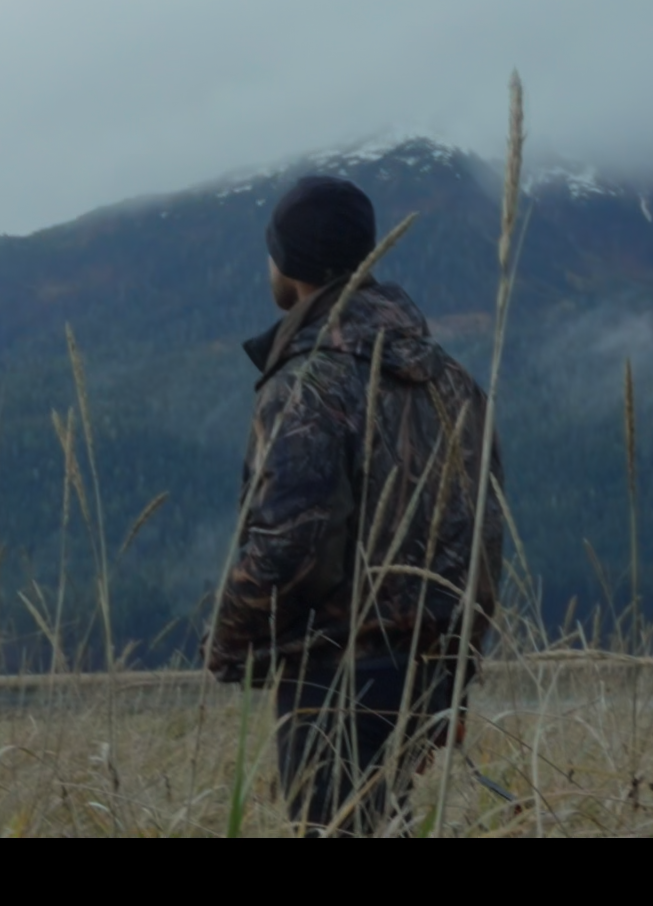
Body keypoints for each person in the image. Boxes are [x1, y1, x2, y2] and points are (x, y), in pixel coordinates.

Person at [202, 174, 504, 835]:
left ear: (288, 263)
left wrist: (225, 642)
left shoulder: (308, 383)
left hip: (334, 682)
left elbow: (293, 544)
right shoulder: (454, 382)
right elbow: (484, 539)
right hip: (426, 676)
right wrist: (455, 672)